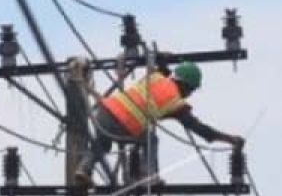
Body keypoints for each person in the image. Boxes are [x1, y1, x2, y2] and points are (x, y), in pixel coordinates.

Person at [74, 61, 244, 186]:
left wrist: (164, 57)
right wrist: (230, 139)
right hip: (123, 123)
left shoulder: (156, 77)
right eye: (191, 90)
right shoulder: (176, 103)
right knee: (150, 138)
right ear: (186, 86)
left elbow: (161, 63)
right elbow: (201, 130)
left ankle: (84, 168)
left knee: (103, 145)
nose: (189, 95)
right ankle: (148, 175)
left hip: (104, 112)